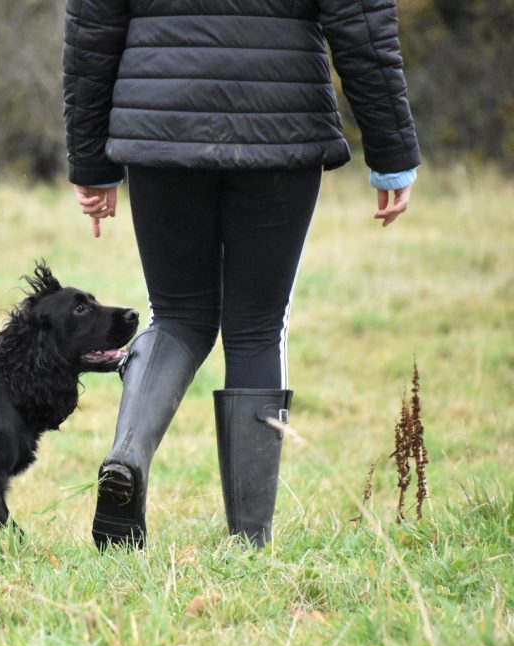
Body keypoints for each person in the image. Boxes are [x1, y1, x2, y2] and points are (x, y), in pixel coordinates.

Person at [62, 0, 420, 549]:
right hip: (280, 121)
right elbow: (362, 25)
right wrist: (392, 149)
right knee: (255, 325)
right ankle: (249, 540)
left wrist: (91, 159)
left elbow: (92, 27)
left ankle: (127, 453)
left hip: (161, 121)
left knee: (178, 315)